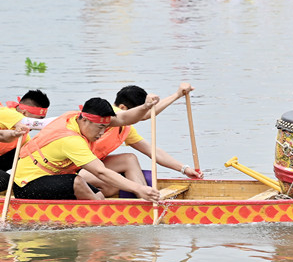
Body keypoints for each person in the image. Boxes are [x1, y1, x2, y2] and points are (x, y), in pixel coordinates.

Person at [13, 97, 161, 201]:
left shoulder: (76, 117)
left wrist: (145, 107)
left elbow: (123, 119)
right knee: (77, 182)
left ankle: (96, 207)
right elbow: (100, 171)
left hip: (53, 176)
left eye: (105, 128)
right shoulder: (71, 140)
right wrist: (138, 189)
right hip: (27, 184)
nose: (102, 133)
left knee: (103, 194)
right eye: (100, 128)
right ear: (85, 120)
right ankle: (101, 216)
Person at [79, 83, 202, 197]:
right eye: (139, 112)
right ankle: (145, 198)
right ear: (123, 108)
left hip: (92, 169)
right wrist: (177, 95)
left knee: (128, 160)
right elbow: (146, 115)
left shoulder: (125, 129)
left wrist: (184, 168)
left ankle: (146, 197)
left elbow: (153, 152)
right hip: (75, 173)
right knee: (113, 181)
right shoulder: (107, 116)